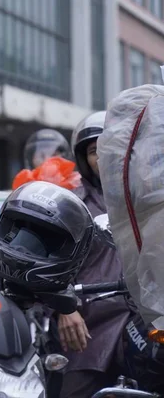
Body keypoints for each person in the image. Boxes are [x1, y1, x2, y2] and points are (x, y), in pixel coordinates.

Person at [58, 111, 131, 398]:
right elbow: (50, 265)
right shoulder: (70, 204)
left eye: (110, 144)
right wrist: (65, 307)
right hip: (90, 320)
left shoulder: (148, 198)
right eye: (93, 150)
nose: (103, 155)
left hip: (146, 318)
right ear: (83, 159)